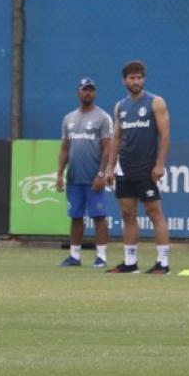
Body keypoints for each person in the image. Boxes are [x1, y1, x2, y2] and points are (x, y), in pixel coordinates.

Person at [105, 59, 172, 274]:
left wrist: (160, 164)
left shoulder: (155, 102)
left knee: (155, 213)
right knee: (127, 214)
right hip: (125, 169)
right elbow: (116, 138)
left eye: (139, 77)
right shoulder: (120, 107)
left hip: (147, 168)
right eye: (132, 78)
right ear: (124, 81)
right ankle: (130, 263)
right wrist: (109, 167)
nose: (136, 81)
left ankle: (163, 263)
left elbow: (165, 135)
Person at [55, 77, 114, 268]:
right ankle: (75, 256)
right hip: (74, 177)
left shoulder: (102, 118)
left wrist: (101, 174)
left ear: (94, 93)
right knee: (76, 216)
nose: (88, 93)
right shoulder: (69, 119)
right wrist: (59, 174)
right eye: (84, 89)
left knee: (99, 216)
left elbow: (108, 148)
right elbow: (65, 148)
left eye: (91, 90)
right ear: (78, 92)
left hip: (93, 178)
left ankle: (102, 256)